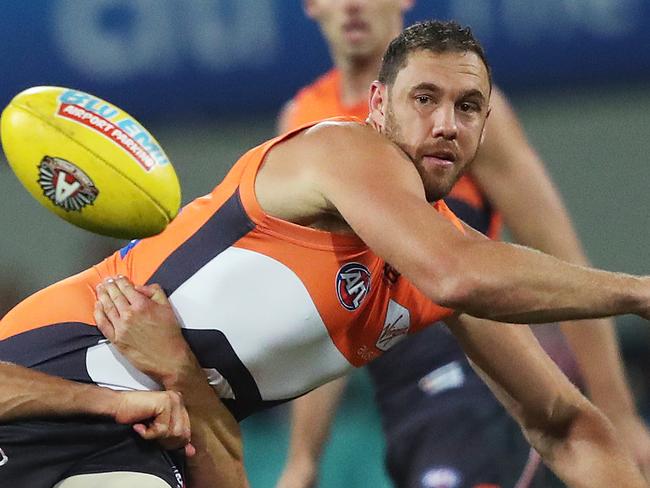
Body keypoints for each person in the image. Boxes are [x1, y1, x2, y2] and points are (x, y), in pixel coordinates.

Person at [1, 20, 650, 487]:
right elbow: (457, 276)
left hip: (155, 432)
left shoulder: (446, 263)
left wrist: (615, 433)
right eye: (424, 99)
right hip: (57, 368)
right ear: (376, 106)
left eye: (469, 107)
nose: (446, 123)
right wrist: (637, 292)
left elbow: (566, 427)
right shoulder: (341, 150)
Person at [275, 2, 650, 487]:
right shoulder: (304, 123)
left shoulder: (459, 116)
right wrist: (303, 458)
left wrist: (618, 412)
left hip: (478, 387)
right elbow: (328, 306)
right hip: (403, 407)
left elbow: (560, 259)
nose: (352, 4)